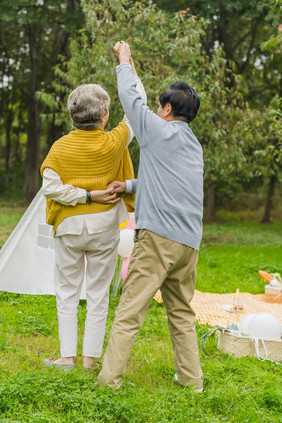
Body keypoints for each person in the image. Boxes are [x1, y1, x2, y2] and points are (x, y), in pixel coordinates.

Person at [98, 41, 204, 391]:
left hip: (157, 239)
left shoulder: (157, 131)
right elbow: (167, 184)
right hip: (188, 245)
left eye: (159, 106)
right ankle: (193, 383)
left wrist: (125, 60)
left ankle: (108, 382)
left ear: (168, 109)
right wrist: (128, 185)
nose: (155, 111)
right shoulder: (193, 145)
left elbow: (131, 98)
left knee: (130, 310)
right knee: (182, 315)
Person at [41, 69, 147, 371]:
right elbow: (138, 102)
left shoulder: (59, 148)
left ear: (73, 116)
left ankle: (67, 358)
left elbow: (51, 188)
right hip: (104, 228)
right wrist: (128, 65)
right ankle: (89, 360)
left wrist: (85, 196)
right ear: (104, 116)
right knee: (99, 294)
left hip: (69, 228)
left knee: (67, 293)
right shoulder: (116, 142)